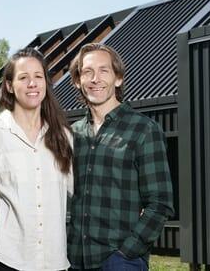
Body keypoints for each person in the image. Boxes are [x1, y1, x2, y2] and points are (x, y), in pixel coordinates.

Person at [66, 43, 174, 270]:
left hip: (120, 261)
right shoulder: (70, 135)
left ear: (118, 79)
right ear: (78, 81)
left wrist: (127, 252)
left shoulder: (143, 129)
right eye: (87, 72)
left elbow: (160, 203)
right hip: (74, 260)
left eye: (104, 70)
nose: (96, 79)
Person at [0, 47, 73, 271]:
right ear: (9, 86)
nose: (32, 84)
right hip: (3, 258)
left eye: (38, 76)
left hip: (53, 261)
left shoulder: (64, 136)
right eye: (23, 78)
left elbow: (80, 189)